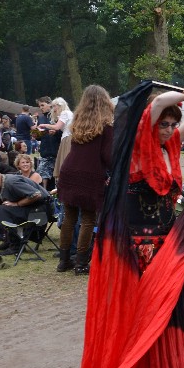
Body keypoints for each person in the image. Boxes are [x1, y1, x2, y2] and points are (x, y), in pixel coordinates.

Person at [70, 85, 184, 368]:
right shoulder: (138, 144)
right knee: (150, 313)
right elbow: (154, 108)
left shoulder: (169, 146)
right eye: (163, 125)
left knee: (173, 310)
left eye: (171, 124)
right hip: (140, 247)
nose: (168, 130)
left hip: (166, 244)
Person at [56, 84, 114, 274]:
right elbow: (108, 155)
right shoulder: (106, 126)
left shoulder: (77, 122)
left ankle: (64, 261)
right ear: (105, 102)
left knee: (69, 218)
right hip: (90, 175)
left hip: (69, 171)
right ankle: (81, 263)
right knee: (88, 219)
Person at [35, 97, 59, 188]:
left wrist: (56, 132)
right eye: (39, 106)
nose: (41, 108)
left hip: (56, 150)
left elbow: (63, 132)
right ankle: (44, 194)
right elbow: (38, 137)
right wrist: (35, 134)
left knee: (57, 176)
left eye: (42, 105)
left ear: (50, 104)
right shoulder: (40, 118)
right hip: (45, 151)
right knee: (42, 174)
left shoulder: (57, 116)